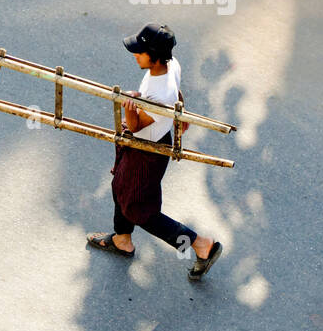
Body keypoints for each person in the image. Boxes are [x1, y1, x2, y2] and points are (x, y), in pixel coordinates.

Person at [86, 23, 223, 281]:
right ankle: (122, 239)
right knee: (120, 186)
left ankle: (200, 245)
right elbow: (177, 95)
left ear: (155, 55)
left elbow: (136, 124)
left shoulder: (160, 93)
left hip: (147, 152)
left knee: (141, 211)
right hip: (148, 142)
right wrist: (176, 115)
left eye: (140, 52)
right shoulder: (170, 65)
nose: (135, 55)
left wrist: (130, 106)